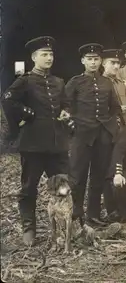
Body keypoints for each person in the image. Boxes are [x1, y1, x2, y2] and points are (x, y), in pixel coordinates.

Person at [1, 36, 71, 245]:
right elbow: (8, 100)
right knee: (29, 188)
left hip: (57, 144)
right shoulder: (25, 80)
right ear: (34, 58)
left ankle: (68, 226)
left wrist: (66, 112)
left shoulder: (58, 82)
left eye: (51, 54)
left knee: (63, 186)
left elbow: (65, 104)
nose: (49, 58)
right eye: (44, 54)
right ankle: (29, 229)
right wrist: (25, 117)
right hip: (33, 144)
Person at [66, 43, 121, 227]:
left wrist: (111, 127)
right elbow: (64, 107)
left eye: (96, 59)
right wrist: (72, 124)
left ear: (101, 61)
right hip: (81, 136)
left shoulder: (107, 82)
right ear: (83, 61)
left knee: (98, 176)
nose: (93, 62)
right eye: (89, 59)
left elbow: (115, 108)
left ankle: (93, 215)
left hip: (102, 137)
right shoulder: (75, 82)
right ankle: (76, 215)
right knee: (77, 176)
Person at [102, 48, 126, 126]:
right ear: (103, 63)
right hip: (108, 126)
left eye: (118, 63)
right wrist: (116, 109)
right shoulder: (99, 84)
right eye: (112, 63)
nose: (116, 66)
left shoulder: (121, 84)